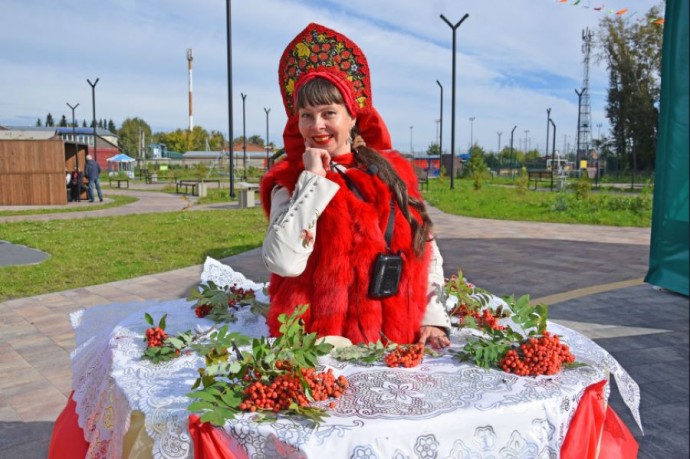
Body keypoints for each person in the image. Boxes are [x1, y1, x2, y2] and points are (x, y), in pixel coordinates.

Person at [260, 23, 451, 349]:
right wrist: (313, 183)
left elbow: (425, 249)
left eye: (328, 113)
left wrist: (432, 318)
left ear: (353, 116)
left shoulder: (392, 174)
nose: (316, 126)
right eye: (305, 115)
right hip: (315, 349)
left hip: (391, 342)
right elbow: (282, 260)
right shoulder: (290, 181)